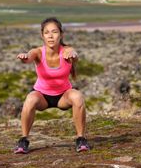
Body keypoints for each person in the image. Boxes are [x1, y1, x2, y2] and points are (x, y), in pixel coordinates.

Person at [14, 17, 90, 154]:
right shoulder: (38, 52)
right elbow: (30, 56)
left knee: (77, 96)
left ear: (61, 34)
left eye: (54, 32)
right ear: (42, 35)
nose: (50, 36)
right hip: (42, 96)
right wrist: (25, 58)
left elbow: (73, 54)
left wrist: (73, 55)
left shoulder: (66, 50)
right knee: (30, 99)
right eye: (47, 32)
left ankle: (81, 139)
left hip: (63, 96)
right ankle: (23, 140)